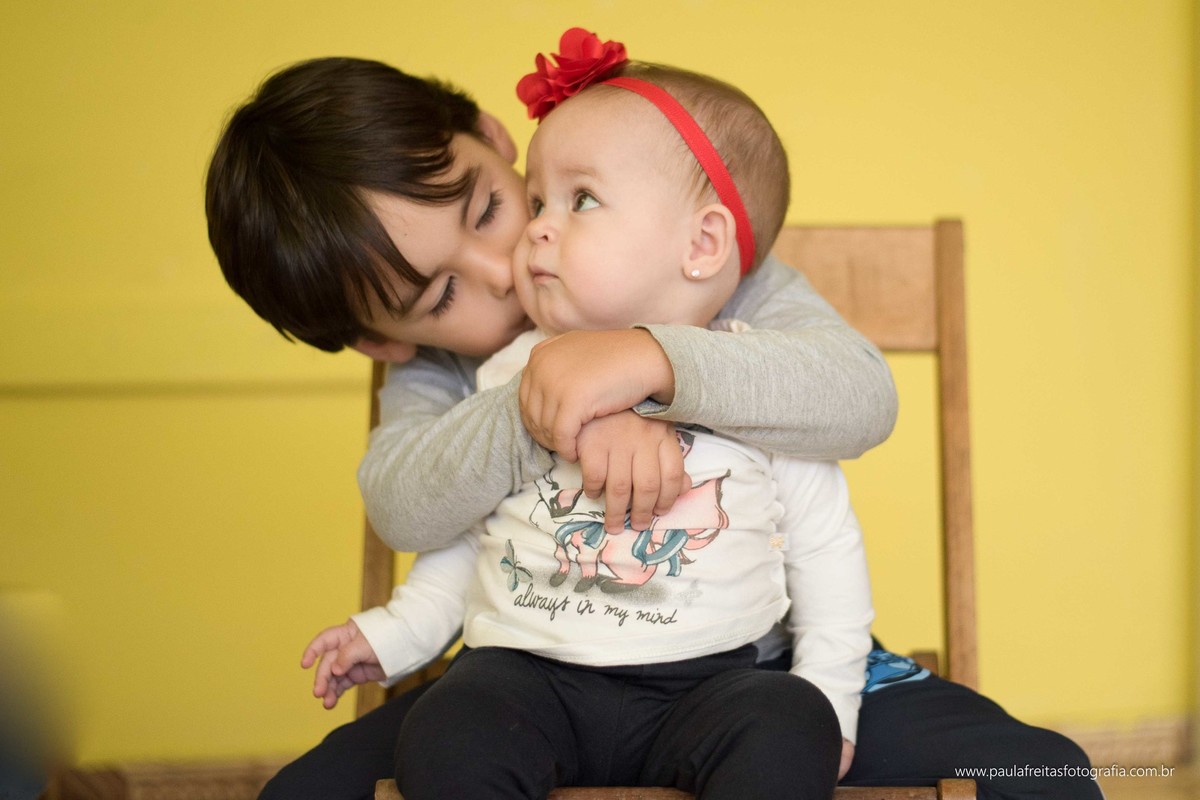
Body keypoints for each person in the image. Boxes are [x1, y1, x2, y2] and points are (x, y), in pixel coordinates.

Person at [204, 34, 1100, 800]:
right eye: (441, 294)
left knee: (1045, 775)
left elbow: (858, 397)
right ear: (382, 343)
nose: (505, 263)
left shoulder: (716, 274)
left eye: (488, 206)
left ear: (491, 137)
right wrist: (554, 399)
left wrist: (651, 361)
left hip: (760, 663)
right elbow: (401, 503)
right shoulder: (447, 368)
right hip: (532, 660)